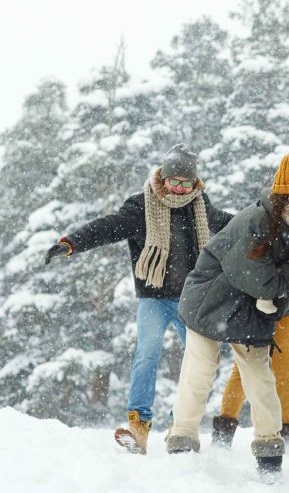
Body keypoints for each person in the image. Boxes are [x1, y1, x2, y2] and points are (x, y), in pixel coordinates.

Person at [44, 143, 234, 455]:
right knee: (146, 354)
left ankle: (181, 424)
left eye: (186, 183)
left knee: (201, 361)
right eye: (174, 181)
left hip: (192, 298)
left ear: (196, 183)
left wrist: (263, 222)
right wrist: (71, 243)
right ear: (163, 176)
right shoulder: (141, 207)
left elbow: (228, 224)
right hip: (154, 298)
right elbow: (107, 227)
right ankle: (138, 425)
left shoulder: (199, 206)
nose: (179, 188)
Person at [165, 153, 289, 480]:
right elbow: (262, 280)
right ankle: (182, 439)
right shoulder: (258, 222)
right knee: (201, 370)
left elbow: (271, 285)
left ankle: (268, 450)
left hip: (249, 309)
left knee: (260, 378)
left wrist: (277, 293)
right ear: (283, 191)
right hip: (210, 300)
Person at [211, 293, 289, 449]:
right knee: (245, 368)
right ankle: (223, 433)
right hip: (253, 303)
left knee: (285, 371)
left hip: (284, 304)